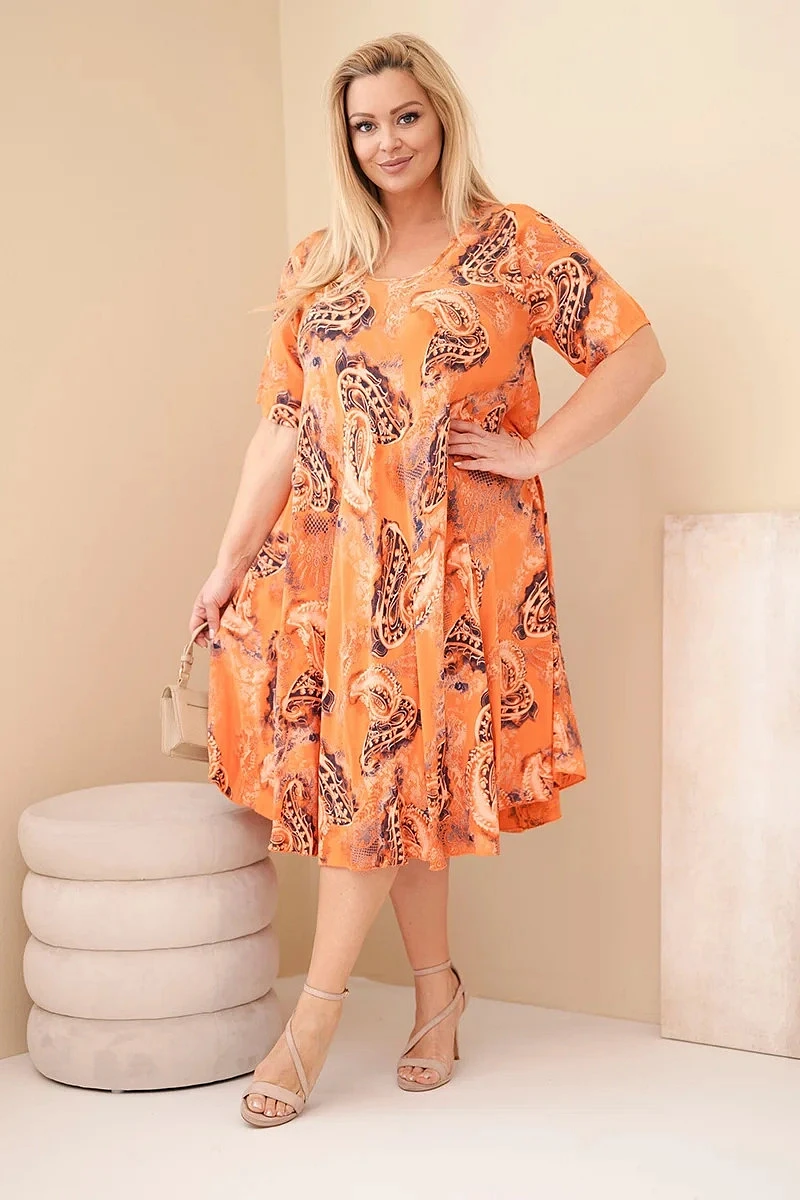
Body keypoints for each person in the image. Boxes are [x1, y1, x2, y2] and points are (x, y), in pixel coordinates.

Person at [189, 32, 666, 1128]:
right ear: (345, 140)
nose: (387, 141)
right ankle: (437, 994)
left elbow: (634, 352)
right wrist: (225, 563)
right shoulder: (319, 263)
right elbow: (281, 426)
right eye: (364, 125)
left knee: (383, 778)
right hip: (330, 566)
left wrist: (538, 453)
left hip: (455, 564)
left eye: (404, 116)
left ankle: (311, 1021)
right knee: (400, 782)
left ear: (440, 116)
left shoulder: (513, 243)